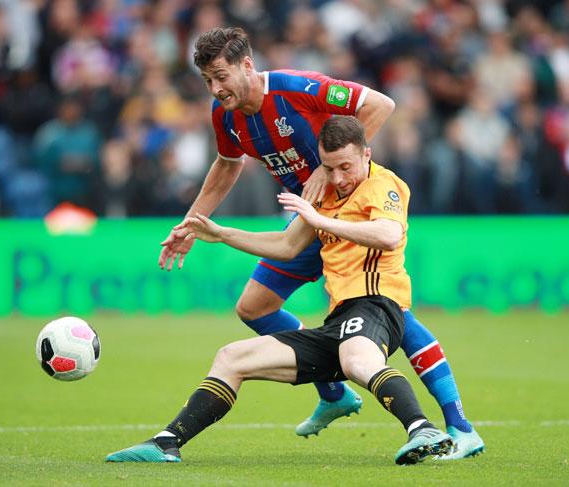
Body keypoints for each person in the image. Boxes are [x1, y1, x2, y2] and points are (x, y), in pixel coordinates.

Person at [159, 27, 483, 458]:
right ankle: (333, 392)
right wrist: (193, 223)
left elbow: (380, 106)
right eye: (207, 81)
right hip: (305, 225)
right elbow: (226, 165)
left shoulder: (297, 89)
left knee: (389, 310)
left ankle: (459, 425)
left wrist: (323, 174)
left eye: (221, 76)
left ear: (247, 65)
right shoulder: (226, 117)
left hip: (348, 212)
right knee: (253, 307)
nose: (216, 89)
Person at [108, 116, 454, 465]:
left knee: (358, 361)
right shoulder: (325, 195)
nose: (338, 178)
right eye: (329, 168)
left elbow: (388, 235)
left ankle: (422, 429)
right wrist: (222, 234)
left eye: (346, 167)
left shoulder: (383, 185)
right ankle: (166, 442)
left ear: (367, 154)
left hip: (377, 307)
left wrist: (319, 221)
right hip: (339, 322)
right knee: (232, 357)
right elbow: (287, 246)